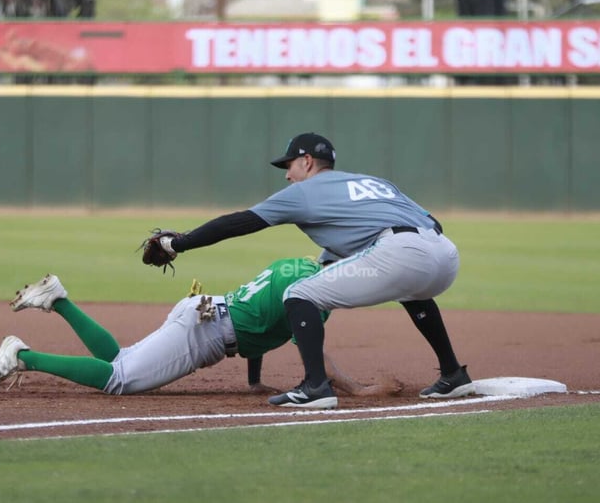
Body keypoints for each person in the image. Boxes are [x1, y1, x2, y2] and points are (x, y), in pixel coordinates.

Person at [146, 132, 474, 409]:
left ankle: (315, 386)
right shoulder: (372, 182)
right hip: (444, 254)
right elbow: (431, 224)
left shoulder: (305, 191)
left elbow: (241, 222)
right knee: (410, 290)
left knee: (299, 293)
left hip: (399, 252)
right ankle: (452, 374)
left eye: (289, 165)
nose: (287, 175)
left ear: (306, 161)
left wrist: (179, 244)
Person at [0, 258, 401, 403]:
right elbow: (317, 362)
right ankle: (22, 356)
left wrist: (254, 380)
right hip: (205, 331)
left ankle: (57, 299)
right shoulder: (313, 292)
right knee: (119, 380)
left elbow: (262, 319)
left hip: (204, 310)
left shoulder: (294, 266)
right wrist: (358, 390)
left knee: (116, 358)